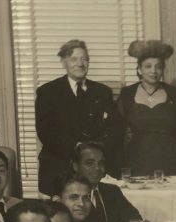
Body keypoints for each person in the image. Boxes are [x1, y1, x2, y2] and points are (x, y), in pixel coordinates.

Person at [33, 39, 118, 196]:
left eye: (84, 59)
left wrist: (92, 151)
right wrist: (77, 148)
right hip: (58, 166)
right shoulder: (48, 92)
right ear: (64, 62)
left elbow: (112, 128)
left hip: (94, 168)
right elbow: (46, 132)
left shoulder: (102, 92)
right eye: (74, 59)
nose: (80, 64)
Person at [115, 39, 176, 177]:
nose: (153, 71)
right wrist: (121, 166)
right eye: (148, 66)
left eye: (158, 66)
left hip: (171, 161)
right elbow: (116, 133)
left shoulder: (175, 94)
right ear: (139, 69)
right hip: (137, 161)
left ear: (163, 70)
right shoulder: (127, 94)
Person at [72, 142, 141, 222]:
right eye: (89, 163)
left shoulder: (112, 191)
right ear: (76, 167)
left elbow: (134, 220)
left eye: (100, 163)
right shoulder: (69, 196)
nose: (97, 168)